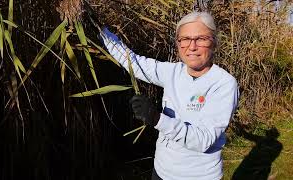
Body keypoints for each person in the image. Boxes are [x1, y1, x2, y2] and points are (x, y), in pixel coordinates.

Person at [100, 11, 239, 180]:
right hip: (162, 171)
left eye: (201, 39)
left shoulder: (223, 84)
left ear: (214, 42)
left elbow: (204, 140)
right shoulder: (173, 72)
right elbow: (135, 63)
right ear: (178, 44)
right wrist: (101, 31)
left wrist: (156, 118)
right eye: (185, 39)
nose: (192, 46)